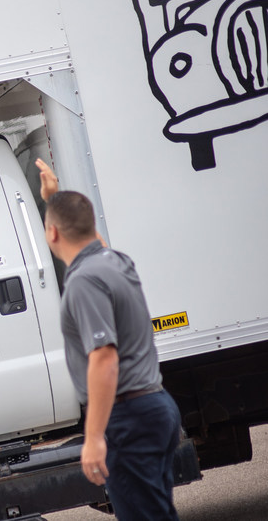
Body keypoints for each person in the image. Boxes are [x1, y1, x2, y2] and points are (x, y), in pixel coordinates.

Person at [36, 158, 181, 521]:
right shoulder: (114, 260)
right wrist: (55, 197)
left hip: (128, 417)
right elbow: (92, 240)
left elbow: (104, 358)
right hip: (156, 407)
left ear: (52, 233)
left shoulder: (85, 281)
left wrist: (95, 436)